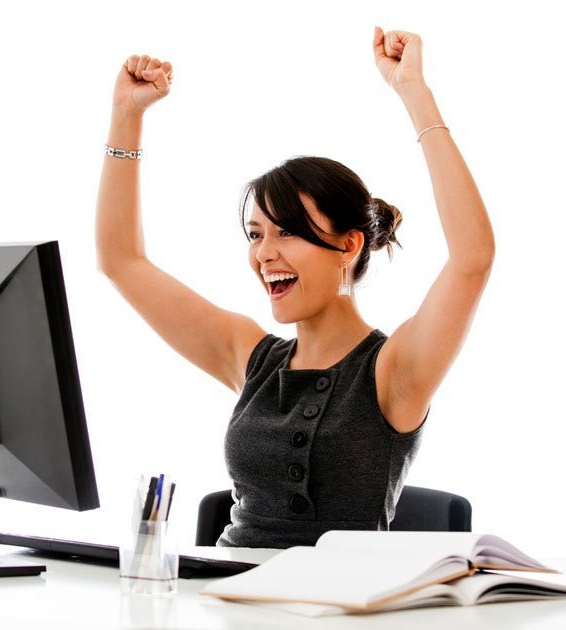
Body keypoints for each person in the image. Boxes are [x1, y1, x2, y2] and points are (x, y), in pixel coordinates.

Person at [95, 27, 495, 548]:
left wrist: (414, 92)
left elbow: (472, 259)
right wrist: (128, 116)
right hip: (225, 596)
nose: (264, 254)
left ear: (349, 246)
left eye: (288, 232)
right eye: (256, 234)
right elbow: (121, 260)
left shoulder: (395, 370)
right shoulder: (251, 358)